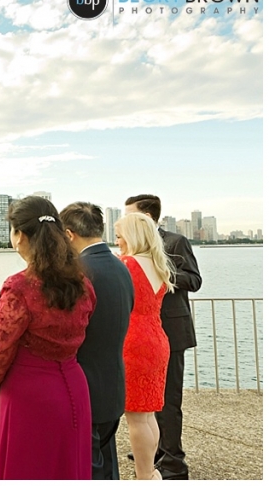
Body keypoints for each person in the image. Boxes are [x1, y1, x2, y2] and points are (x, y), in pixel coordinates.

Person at [0, 196, 95, 480]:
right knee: (68, 466)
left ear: (19, 236)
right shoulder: (82, 283)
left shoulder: (19, 287)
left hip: (30, 394)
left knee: (28, 468)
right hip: (74, 386)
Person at [125, 194, 202, 480]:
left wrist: (162, 273)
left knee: (169, 401)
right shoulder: (134, 247)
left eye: (130, 215)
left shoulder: (175, 242)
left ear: (147, 216)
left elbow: (194, 280)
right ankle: (152, 450)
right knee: (148, 401)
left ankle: (174, 462)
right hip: (147, 334)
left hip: (172, 330)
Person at [61, 202, 134, 480]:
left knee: (87, 469)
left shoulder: (77, 272)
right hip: (113, 384)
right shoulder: (121, 267)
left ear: (69, 235)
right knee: (107, 466)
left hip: (84, 386)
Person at [115, 212, 175, 480]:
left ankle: (143, 476)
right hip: (157, 339)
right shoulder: (158, 263)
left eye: (119, 236)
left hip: (135, 342)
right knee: (147, 415)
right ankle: (150, 472)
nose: (117, 242)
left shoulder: (127, 264)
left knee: (135, 418)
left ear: (132, 236)